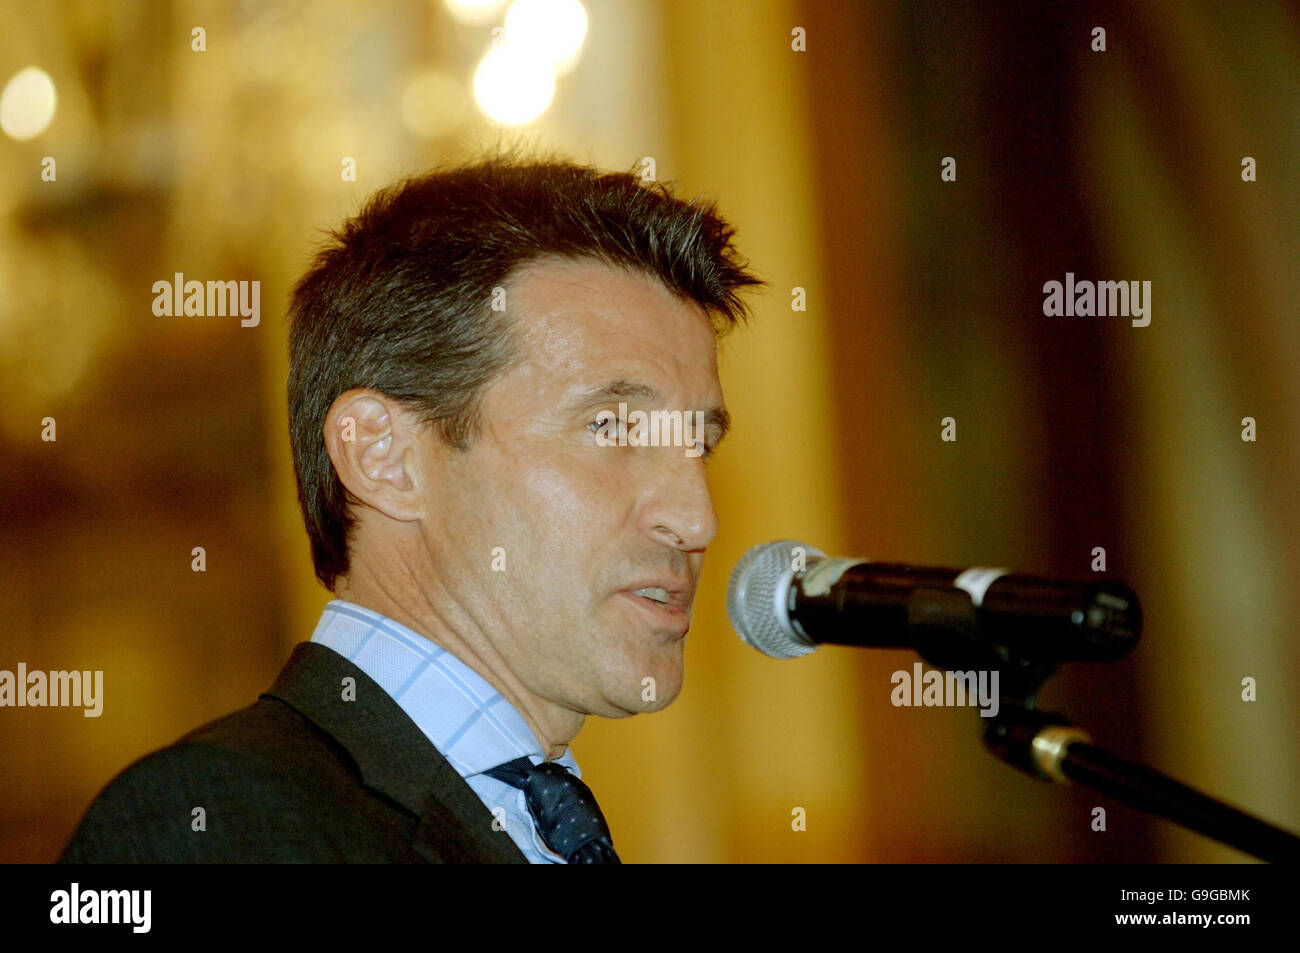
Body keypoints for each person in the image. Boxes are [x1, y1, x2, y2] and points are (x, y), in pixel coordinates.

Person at [59, 151, 763, 863]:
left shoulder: (541, 825)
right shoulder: (213, 822)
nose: (696, 520)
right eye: (613, 427)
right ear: (384, 457)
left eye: (698, 444)